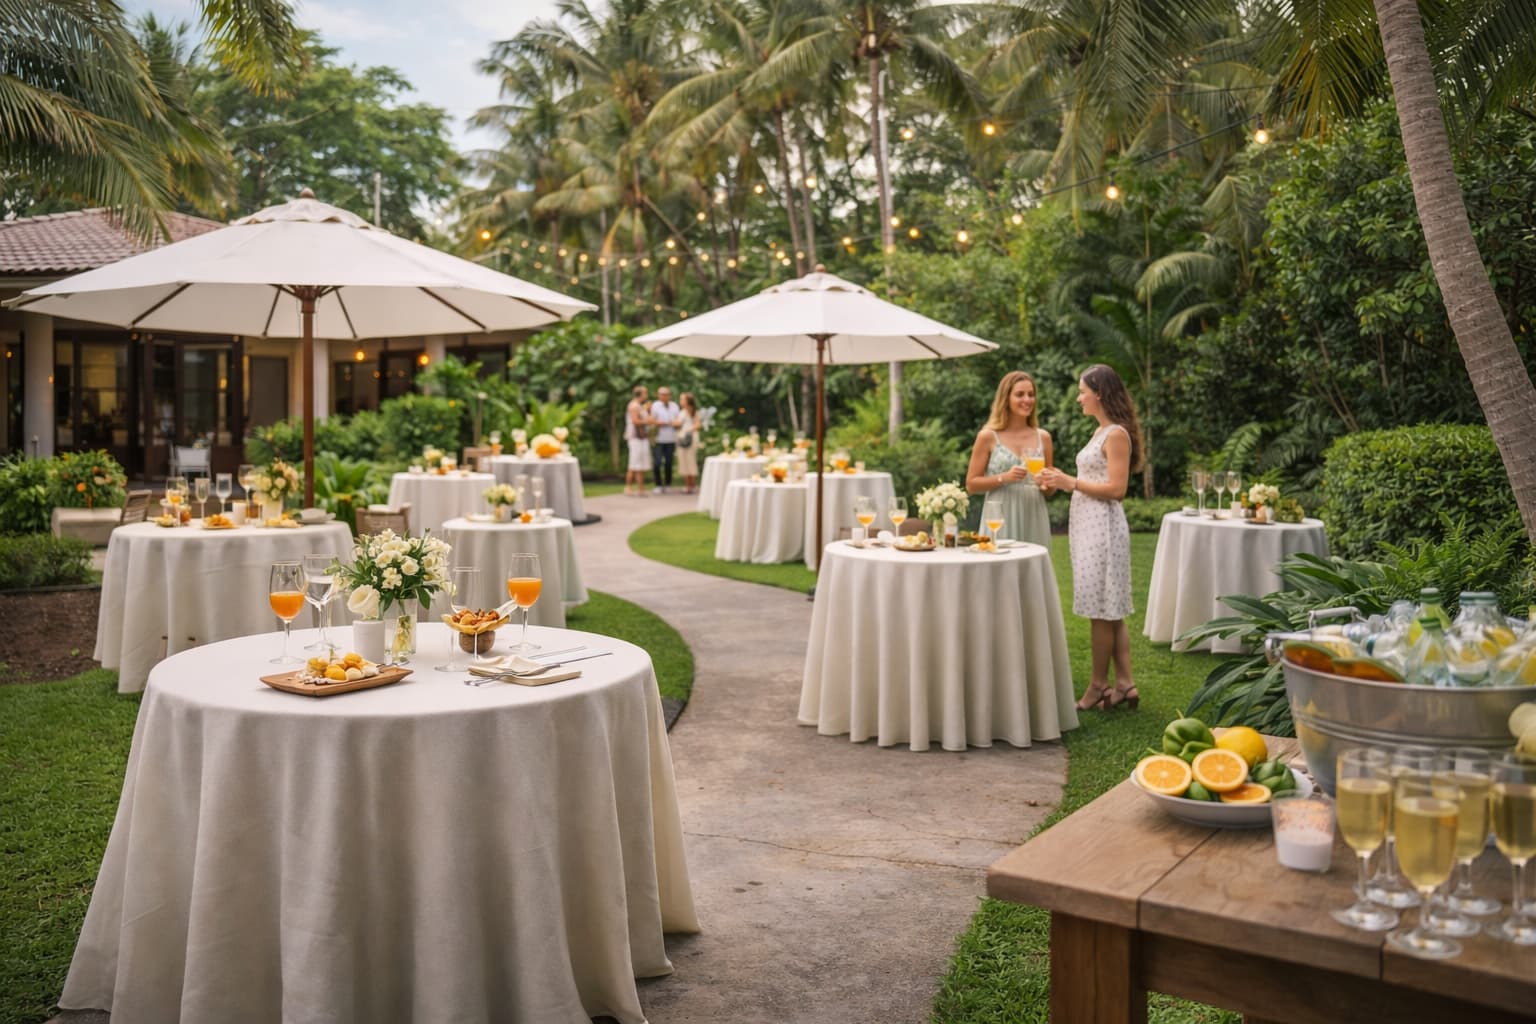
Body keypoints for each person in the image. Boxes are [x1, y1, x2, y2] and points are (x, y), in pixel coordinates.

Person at [1036, 364, 1143, 712]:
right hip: (1091, 526)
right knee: (1110, 610)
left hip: (1104, 529)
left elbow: (1117, 488)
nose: (1079, 397)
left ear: (1099, 393)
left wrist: (1071, 482)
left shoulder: (1115, 435)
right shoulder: (1101, 432)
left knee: (1101, 610)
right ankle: (1124, 683)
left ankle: (1098, 685)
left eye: (1083, 391)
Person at [964, 370, 1054, 548]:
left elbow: (1049, 489)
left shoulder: (1043, 437)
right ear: (1006, 398)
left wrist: (1045, 484)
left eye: (1031, 394)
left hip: (1034, 511)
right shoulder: (987, 437)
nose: (1027, 400)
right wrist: (1003, 478)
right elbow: (971, 484)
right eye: (1020, 394)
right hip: (1000, 513)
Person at [649, 386, 682, 494]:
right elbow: (651, 420)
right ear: (658, 395)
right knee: (657, 463)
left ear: (669, 395)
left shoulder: (674, 406)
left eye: (666, 394)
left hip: (671, 439)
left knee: (669, 462)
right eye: (662, 394)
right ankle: (658, 484)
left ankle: (668, 484)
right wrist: (659, 423)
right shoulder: (655, 406)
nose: (664, 396)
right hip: (658, 439)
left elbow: (678, 420)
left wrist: (674, 423)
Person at [624, 385, 653, 496]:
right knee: (634, 463)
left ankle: (641, 489)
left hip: (642, 438)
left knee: (641, 464)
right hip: (635, 438)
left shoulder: (641, 406)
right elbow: (635, 421)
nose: (646, 395)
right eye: (645, 393)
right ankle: (628, 487)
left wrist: (648, 412)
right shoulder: (634, 406)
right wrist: (648, 421)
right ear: (639, 394)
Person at [675, 392, 701, 494]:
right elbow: (678, 423)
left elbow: (698, 425)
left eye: (682, 399)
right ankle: (687, 485)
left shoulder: (694, 412)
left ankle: (692, 484)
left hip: (691, 438)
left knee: (690, 460)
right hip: (681, 439)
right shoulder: (681, 412)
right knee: (683, 460)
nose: (680, 401)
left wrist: (687, 431)